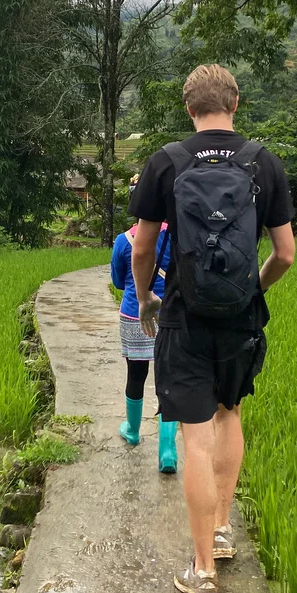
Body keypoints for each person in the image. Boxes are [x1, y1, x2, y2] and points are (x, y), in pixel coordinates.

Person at [128, 64, 295, 593]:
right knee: (231, 415)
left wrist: (149, 295)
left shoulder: (167, 162)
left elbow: (142, 248)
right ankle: (222, 532)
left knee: (194, 436)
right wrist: (253, 291)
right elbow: (286, 254)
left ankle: (202, 573)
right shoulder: (263, 163)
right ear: (236, 102)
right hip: (241, 321)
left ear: (188, 108)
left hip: (184, 316)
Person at [110, 189, 177, 472]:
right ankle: (168, 452)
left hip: (135, 314)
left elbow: (117, 281)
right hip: (171, 314)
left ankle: (133, 431)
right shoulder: (175, 236)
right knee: (170, 379)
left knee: (135, 375)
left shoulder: (124, 241)